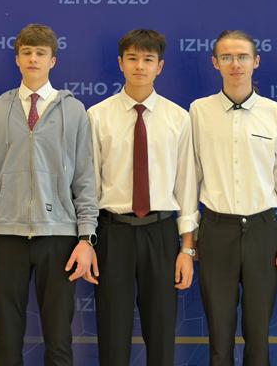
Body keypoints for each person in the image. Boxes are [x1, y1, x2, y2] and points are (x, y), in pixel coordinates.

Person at [0, 23, 98, 366]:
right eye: (26, 52)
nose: (33, 59)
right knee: (8, 341)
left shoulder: (74, 110)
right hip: (6, 236)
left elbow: (85, 179)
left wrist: (86, 237)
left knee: (59, 341)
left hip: (59, 237)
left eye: (41, 53)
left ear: (53, 60)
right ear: (17, 59)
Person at [85, 29, 198, 366]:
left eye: (148, 59)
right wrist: (87, 241)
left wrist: (187, 249)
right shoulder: (97, 116)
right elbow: (88, 185)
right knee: (112, 332)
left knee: (161, 333)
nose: (139, 66)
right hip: (113, 232)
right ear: (120, 63)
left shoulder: (178, 118)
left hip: (160, 234)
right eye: (132, 58)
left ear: (159, 66)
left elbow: (187, 187)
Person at [189, 29, 277, 366]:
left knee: (258, 336)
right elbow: (190, 178)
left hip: (262, 232)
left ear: (256, 61)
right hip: (215, 231)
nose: (235, 64)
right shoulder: (199, 111)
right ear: (215, 63)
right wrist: (189, 238)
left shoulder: (275, 113)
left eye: (242, 57)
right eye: (226, 57)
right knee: (219, 338)